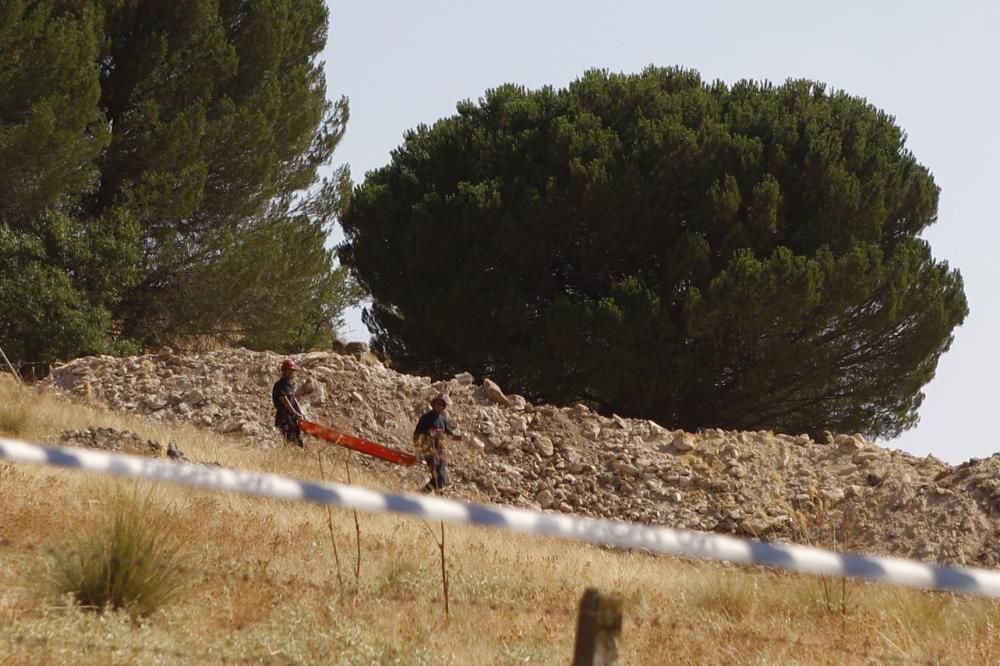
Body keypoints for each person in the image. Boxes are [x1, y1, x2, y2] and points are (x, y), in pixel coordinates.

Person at [413, 393, 463, 493]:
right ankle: (420, 494)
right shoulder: (426, 418)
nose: (439, 406)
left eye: (442, 405)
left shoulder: (443, 420)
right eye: (438, 404)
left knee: (442, 479)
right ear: (433, 404)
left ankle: (433, 498)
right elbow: (417, 435)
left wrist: (461, 437)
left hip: (440, 453)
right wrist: (419, 451)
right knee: (439, 478)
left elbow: (450, 435)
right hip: (429, 452)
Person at [272, 359, 305, 447]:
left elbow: (294, 400)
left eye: (293, 371)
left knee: (299, 442)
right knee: (291, 441)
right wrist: (294, 413)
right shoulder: (279, 385)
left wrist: (300, 414)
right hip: (284, 418)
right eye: (290, 371)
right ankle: (287, 458)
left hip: (292, 418)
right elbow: (285, 400)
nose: (292, 373)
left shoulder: (289, 385)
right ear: (285, 371)